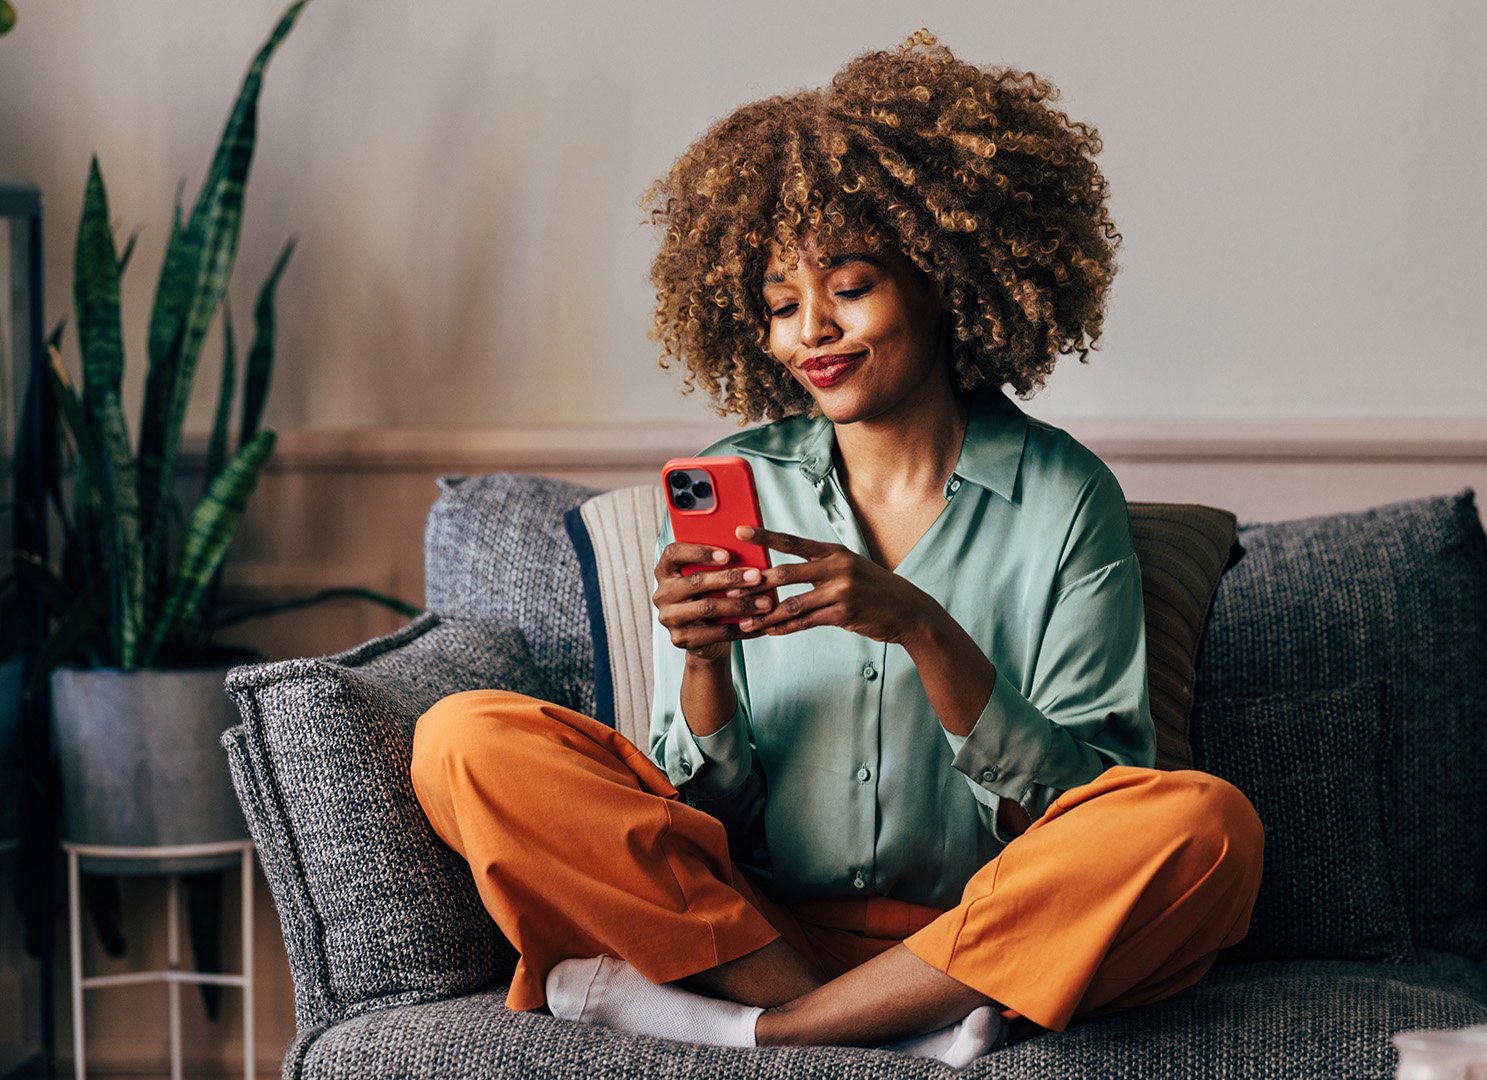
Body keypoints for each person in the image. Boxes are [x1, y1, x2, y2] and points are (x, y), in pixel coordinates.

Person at [409, 29, 1263, 1068]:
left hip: (979, 936)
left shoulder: (1064, 498)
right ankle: (879, 1031)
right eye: (780, 305)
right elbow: (691, 823)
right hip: (754, 930)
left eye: (849, 288)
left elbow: (1088, 805)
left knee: (1204, 827)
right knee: (463, 739)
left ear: (945, 281)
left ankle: (777, 1036)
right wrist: (704, 664)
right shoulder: (741, 483)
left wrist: (918, 626)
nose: (809, 331)